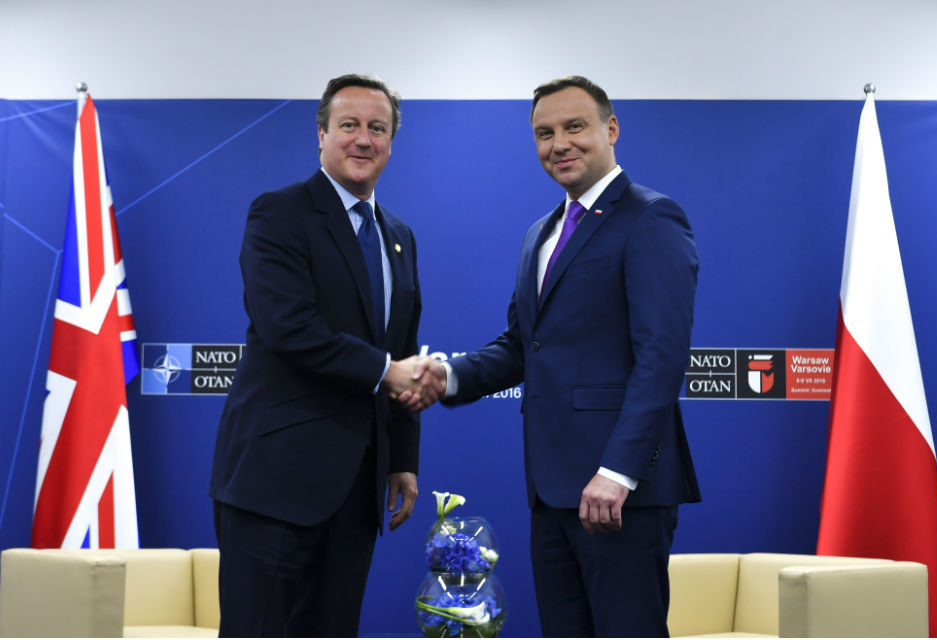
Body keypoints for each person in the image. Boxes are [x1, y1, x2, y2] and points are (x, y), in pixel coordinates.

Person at [408, 76, 700, 637]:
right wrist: (447, 376)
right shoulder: (539, 235)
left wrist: (617, 472)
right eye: (544, 133)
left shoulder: (652, 217)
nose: (559, 144)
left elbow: (661, 357)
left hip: (619, 492)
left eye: (575, 127)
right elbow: (523, 346)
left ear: (611, 129)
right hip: (551, 491)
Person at [209, 73, 443, 637]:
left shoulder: (400, 236)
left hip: (357, 488)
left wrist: (402, 458)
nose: (363, 138)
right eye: (349, 125)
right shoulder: (279, 213)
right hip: (274, 483)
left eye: (377, 128)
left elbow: (402, 348)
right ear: (321, 134)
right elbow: (288, 328)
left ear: (391, 142)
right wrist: (387, 371)